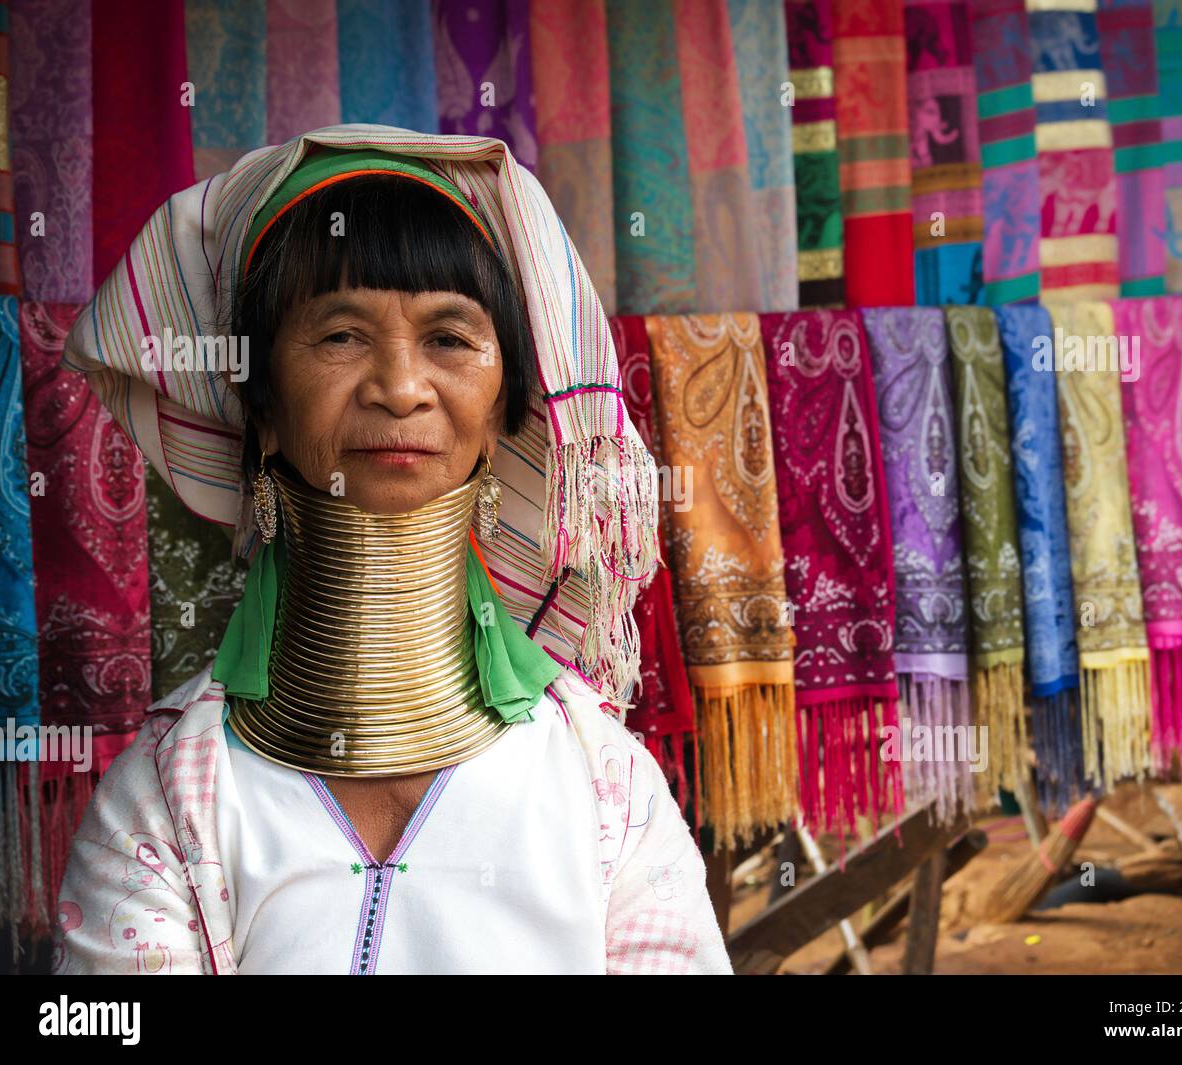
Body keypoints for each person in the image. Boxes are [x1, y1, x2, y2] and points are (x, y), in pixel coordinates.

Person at [51, 126, 732, 975]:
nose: (401, 387)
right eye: (340, 335)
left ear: (501, 413)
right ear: (260, 408)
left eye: (449, 337)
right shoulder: (166, 800)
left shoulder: (604, 789)